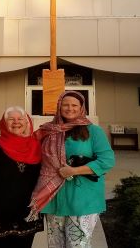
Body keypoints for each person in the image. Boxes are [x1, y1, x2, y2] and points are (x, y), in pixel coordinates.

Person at [28, 91, 115, 248]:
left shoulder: (93, 131)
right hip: (53, 198)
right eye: (65, 104)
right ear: (59, 106)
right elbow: (30, 152)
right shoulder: (47, 131)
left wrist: (74, 171)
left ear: (81, 108)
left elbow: (107, 160)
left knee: (78, 244)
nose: (70, 108)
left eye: (74, 105)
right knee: (56, 244)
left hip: (82, 198)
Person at [0, 106, 44, 247]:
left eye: (20, 119)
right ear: (4, 124)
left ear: (27, 123)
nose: (16, 122)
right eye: (11, 119)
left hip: (25, 214)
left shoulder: (37, 149)